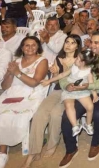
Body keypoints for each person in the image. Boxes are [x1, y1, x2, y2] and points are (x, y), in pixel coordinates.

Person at [0, 36, 49, 168]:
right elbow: (5, 87)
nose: (30, 48)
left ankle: (2, 152)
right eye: (26, 45)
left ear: (38, 47)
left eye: (33, 45)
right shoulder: (17, 61)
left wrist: (17, 73)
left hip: (31, 93)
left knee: (7, 115)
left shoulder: (42, 61)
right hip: (12, 92)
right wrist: (9, 74)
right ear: (22, 47)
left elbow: (34, 83)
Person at [58, 31, 99, 167]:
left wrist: (88, 86)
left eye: (96, 42)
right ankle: (71, 149)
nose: (92, 45)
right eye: (91, 42)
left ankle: (95, 142)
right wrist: (66, 85)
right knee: (67, 116)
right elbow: (66, 75)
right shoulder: (84, 55)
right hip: (83, 92)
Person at [22, 35, 81, 168]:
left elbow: (73, 76)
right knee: (40, 113)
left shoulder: (80, 59)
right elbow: (57, 78)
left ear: (77, 46)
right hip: (58, 90)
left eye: (72, 43)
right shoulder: (58, 59)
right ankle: (33, 152)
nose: (68, 45)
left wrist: (54, 76)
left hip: (72, 92)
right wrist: (53, 73)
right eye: (67, 42)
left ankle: (52, 144)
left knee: (56, 114)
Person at [42, 49, 99, 137]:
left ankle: (88, 124)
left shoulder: (88, 72)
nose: (75, 59)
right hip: (69, 91)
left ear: (83, 63)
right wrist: (49, 81)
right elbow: (62, 75)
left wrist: (95, 95)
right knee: (69, 106)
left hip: (82, 91)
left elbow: (91, 84)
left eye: (77, 58)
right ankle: (75, 126)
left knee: (90, 106)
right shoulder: (74, 67)